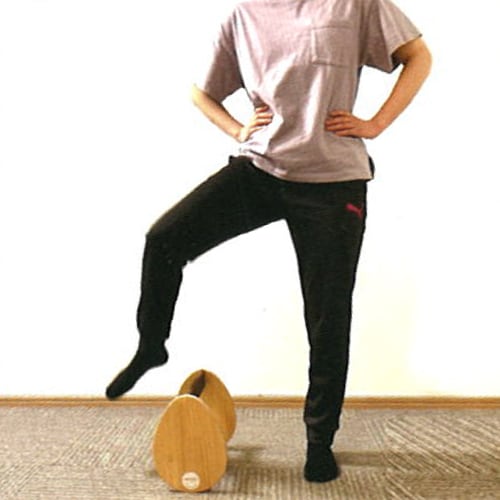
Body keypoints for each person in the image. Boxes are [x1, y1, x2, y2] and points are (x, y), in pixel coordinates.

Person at [106, 0, 431, 483]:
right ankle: (152, 345)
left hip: (332, 182)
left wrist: (376, 123)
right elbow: (202, 92)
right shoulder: (243, 15)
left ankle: (319, 441)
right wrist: (237, 129)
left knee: (327, 315)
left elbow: (418, 55)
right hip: (260, 170)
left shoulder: (354, 5)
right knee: (164, 239)